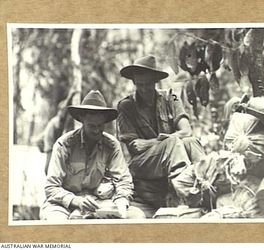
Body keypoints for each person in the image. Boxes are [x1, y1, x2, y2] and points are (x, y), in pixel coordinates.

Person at [117, 55, 205, 217]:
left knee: (191, 142)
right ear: (135, 83)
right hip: (142, 164)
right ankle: (186, 191)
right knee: (173, 142)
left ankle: (207, 183)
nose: (144, 89)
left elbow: (186, 131)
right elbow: (135, 147)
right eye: (140, 85)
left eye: (148, 84)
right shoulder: (126, 106)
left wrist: (154, 141)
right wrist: (164, 142)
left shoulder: (170, 97)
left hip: (169, 152)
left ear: (155, 82)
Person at [40, 90, 145, 220]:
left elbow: (123, 181)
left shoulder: (111, 145)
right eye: (91, 126)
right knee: (57, 223)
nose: (96, 131)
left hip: (97, 203)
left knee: (136, 216)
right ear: (82, 120)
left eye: (100, 126)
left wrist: (121, 200)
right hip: (63, 204)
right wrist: (75, 201)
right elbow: (51, 187)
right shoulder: (64, 145)